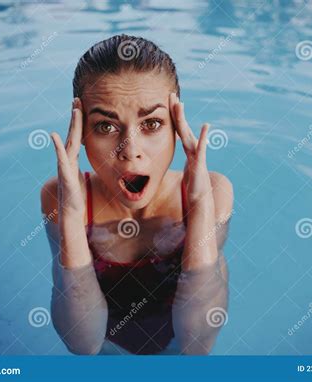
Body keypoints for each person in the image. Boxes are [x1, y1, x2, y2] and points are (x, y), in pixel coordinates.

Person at [41, 34, 233, 355]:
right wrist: (73, 216)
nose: (130, 151)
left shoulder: (211, 192)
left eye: (152, 123)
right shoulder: (59, 198)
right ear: (81, 134)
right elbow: (82, 343)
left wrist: (200, 206)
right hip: (107, 348)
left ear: (176, 127)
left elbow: (197, 342)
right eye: (105, 126)